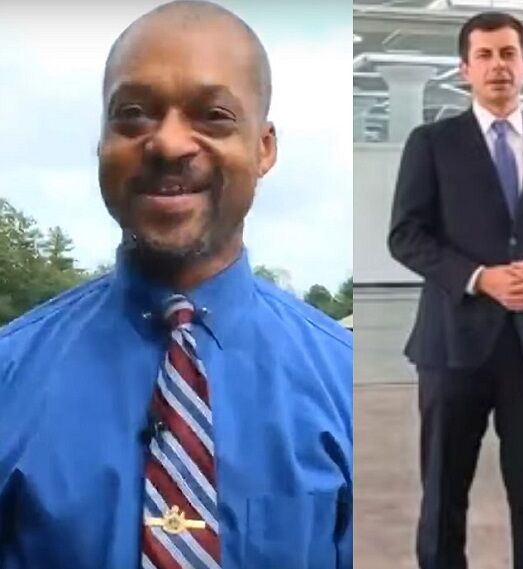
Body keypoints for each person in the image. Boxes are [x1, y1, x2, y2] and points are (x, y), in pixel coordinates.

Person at [0, 2, 353, 568]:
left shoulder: (343, 383)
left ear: (264, 148)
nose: (167, 144)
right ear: (100, 144)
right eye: (133, 114)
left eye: (212, 115)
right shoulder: (9, 378)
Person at [387, 11, 523, 569]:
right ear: (465, 69)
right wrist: (479, 278)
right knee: (442, 498)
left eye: (508, 54)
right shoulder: (432, 143)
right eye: (484, 55)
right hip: (452, 346)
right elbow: (406, 236)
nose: (497, 66)